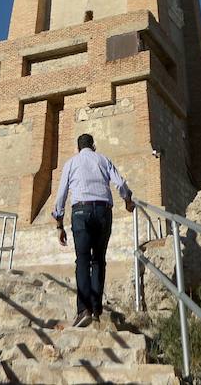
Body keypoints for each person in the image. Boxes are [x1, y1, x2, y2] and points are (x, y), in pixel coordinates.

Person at [52, 133, 134, 328]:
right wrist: (128, 200)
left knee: (82, 260)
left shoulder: (71, 163)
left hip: (80, 211)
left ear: (78, 148)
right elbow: (120, 183)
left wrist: (59, 224)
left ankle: (84, 311)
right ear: (94, 146)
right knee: (98, 260)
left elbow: (61, 194)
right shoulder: (103, 159)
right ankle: (96, 310)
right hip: (104, 211)